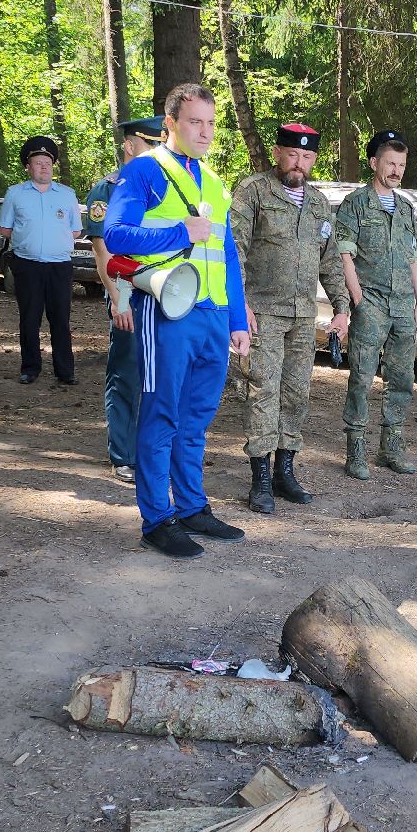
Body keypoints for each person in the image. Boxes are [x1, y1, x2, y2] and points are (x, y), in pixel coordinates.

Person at [102, 83, 251, 560]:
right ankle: (156, 519)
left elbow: (226, 254)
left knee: (197, 418)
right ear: (171, 124)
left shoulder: (213, 180)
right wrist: (177, 230)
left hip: (209, 315)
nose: (205, 131)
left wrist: (236, 317)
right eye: (195, 122)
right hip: (166, 310)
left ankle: (191, 506)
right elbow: (115, 234)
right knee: (162, 412)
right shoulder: (146, 170)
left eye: (210, 123)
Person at [232, 123, 351, 513]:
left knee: (296, 393)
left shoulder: (318, 204)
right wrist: (239, 304)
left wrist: (341, 307)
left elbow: (330, 261)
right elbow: (234, 251)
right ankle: (260, 477)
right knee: (262, 390)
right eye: (293, 155)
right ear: (279, 152)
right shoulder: (254, 191)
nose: (299, 163)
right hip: (261, 312)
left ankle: (285, 471)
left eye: (307, 157)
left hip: (302, 316)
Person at [337, 131, 417, 479]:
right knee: (362, 375)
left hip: (404, 304)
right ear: (374, 163)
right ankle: (355, 449)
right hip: (372, 302)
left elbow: (414, 257)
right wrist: (357, 297)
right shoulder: (356, 204)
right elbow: (344, 252)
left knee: (402, 378)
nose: (396, 170)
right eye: (390, 162)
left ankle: (391, 447)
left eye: (401, 164)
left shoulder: (406, 208)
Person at [84, 116, 166, 485]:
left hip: (165, 291)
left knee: (160, 374)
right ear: (129, 146)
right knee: (127, 372)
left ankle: (150, 449)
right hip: (128, 291)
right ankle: (123, 454)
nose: (154, 152)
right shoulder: (107, 190)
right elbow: (102, 251)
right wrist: (118, 299)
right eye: (148, 145)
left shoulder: (166, 184)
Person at [0, 136, 80, 385]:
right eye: (38, 163)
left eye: (48, 162)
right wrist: (29, 240)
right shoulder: (15, 194)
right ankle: (30, 368)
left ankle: (65, 371)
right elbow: (5, 229)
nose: (44, 167)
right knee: (29, 319)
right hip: (28, 265)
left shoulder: (67, 195)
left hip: (59, 266)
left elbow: (76, 230)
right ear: (28, 167)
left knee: (60, 319)